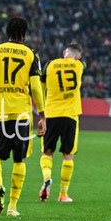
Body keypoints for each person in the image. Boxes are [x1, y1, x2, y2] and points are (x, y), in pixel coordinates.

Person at [0, 17, 46, 217]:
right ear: (24, 34)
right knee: (19, 159)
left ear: (7, 32)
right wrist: (42, 115)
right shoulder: (31, 54)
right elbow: (36, 88)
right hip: (22, 113)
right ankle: (12, 206)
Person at [38, 42, 85, 203]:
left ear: (64, 52)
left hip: (51, 113)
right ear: (78, 57)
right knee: (68, 155)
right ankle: (63, 194)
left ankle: (47, 177)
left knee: (47, 152)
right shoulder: (79, 66)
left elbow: (40, 88)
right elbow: (78, 62)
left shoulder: (49, 65)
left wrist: (41, 113)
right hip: (70, 115)